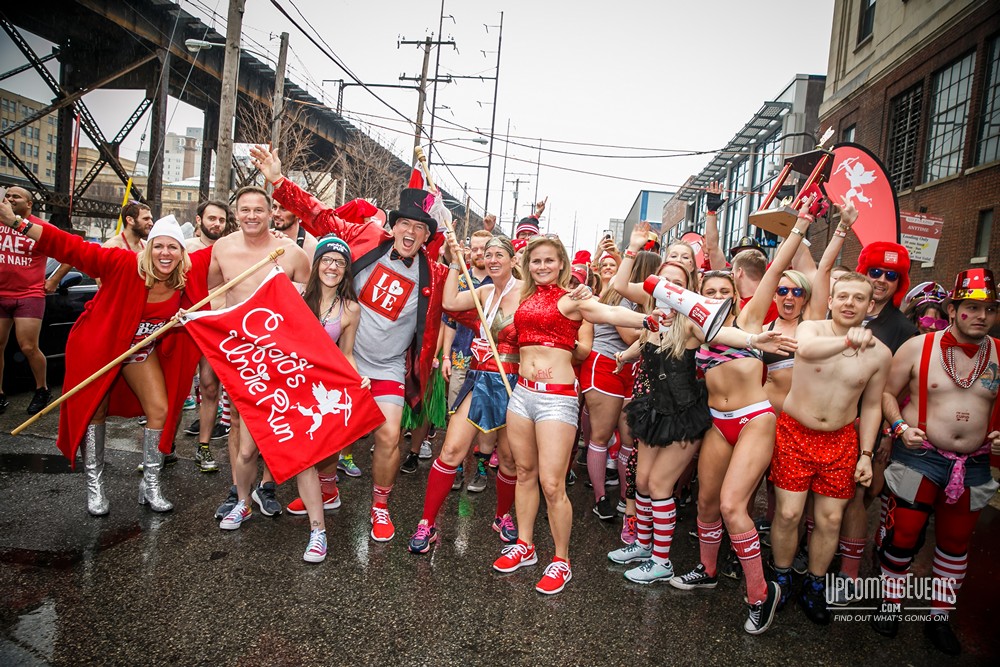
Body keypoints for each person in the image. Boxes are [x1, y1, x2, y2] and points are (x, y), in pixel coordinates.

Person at [252, 144, 449, 543]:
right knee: (329, 431)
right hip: (345, 356)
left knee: (389, 435)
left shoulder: (438, 274)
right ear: (393, 226)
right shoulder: (364, 236)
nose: (410, 233)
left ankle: (379, 506)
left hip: (392, 366)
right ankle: (327, 488)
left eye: (420, 228)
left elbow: (464, 310)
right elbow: (320, 216)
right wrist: (277, 179)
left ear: (428, 236)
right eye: (405, 225)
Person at [0, 202, 209, 516]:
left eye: (173, 248)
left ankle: (150, 484)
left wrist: (187, 317)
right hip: (100, 348)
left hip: (138, 353)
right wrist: (17, 222)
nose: (165, 254)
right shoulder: (122, 262)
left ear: (182, 253)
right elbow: (68, 246)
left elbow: (227, 271)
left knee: (160, 410)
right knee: (94, 409)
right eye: (159, 246)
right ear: (149, 248)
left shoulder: (184, 280)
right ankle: (94, 485)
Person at [669, 199, 818, 635]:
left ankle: (760, 593)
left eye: (723, 292)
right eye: (709, 293)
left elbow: (774, 272)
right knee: (706, 504)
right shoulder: (696, 329)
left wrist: (800, 226)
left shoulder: (751, 317)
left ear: (735, 294)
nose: (716, 298)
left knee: (736, 506)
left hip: (755, 418)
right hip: (718, 421)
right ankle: (708, 569)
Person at [491, 235, 666, 595]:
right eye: (536, 261)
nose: (542, 266)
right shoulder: (523, 297)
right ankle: (525, 544)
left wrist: (647, 319)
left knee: (553, 484)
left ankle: (561, 560)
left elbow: (609, 313)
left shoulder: (573, 298)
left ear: (561, 264)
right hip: (522, 394)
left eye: (549, 261)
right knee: (524, 473)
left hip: (557, 400)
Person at [872, 268, 999, 656]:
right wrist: (897, 427)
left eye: (990, 309)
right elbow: (886, 394)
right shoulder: (917, 347)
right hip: (920, 455)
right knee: (903, 535)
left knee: (956, 544)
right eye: (972, 308)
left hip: (974, 463)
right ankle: (889, 604)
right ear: (953, 307)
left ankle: (939, 617)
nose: (982, 316)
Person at [768, 271, 890, 624]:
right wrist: (848, 343)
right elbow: (805, 351)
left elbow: (871, 406)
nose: (850, 303)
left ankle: (816, 584)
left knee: (831, 518)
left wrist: (866, 454)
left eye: (859, 298)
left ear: (870, 305)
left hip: (840, 440)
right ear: (832, 301)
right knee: (789, 514)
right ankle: (782, 575)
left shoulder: (880, 354)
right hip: (795, 433)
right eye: (844, 296)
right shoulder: (812, 329)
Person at [206, 187, 319, 564]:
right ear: (236, 213)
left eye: (259, 209)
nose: (252, 215)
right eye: (245, 210)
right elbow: (215, 294)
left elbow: (310, 295)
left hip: (280, 358)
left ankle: (273, 492)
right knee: (241, 430)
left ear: (271, 212)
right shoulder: (222, 248)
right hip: (239, 355)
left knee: (288, 430)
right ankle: (242, 497)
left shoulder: (291, 251)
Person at [409, 235, 522, 553]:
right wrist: (457, 265)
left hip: (514, 384)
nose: (494, 259)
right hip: (479, 378)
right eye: (489, 255)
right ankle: (427, 524)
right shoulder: (482, 290)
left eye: (500, 254)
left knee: (510, 460)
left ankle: (502, 516)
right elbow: (450, 303)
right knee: (451, 450)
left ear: (513, 260)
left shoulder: (526, 293)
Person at [283, 235, 368, 547]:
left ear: (346, 270)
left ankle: (318, 526)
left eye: (340, 262)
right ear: (316, 263)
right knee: (300, 455)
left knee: (316, 450)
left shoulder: (351, 309)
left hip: (323, 388)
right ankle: (316, 515)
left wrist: (358, 378)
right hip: (291, 384)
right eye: (328, 260)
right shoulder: (292, 295)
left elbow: (346, 353)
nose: (333, 267)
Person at [580, 250, 654, 520]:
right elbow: (628, 334)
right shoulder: (626, 296)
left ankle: (626, 496)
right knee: (600, 435)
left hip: (629, 369)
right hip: (605, 365)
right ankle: (600, 498)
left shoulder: (640, 298)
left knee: (628, 439)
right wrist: (664, 328)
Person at [183, 200, 236, 474]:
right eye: (211, 218)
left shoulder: (229, 250)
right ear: (199, 219)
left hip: (212, 326)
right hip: (182, 325)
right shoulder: (183, 249)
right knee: (174, 388)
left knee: (210, 387)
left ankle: (203, 446)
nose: (216, 223)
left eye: (221, 220)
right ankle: (162, 446)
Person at [0, 186, 53, 415]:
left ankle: (42, 390)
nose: (10, 199)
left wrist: (54, 281)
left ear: (28, 204)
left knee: (28, 346)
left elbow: (68, 254)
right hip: (1, 294)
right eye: (7, 196)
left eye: (16, 197)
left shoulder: (41, 228)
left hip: (29, 295)